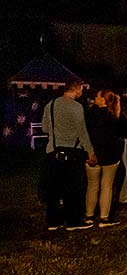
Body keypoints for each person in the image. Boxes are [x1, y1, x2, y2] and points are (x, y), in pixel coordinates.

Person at [42, 79, 97, 231]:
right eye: (81, 90)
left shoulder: (50, 105)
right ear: (76, 89)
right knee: (74, 187)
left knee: (54, 188)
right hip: (72, 152)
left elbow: (45, 128)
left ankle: (53, 221)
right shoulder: (76, 107)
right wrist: (90, 151)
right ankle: (73, 220)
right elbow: (82, 131)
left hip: (53, 151)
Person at [85, 90, 126, 227]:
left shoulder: (89, 114)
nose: (95, 97)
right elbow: (126, 130)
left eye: (97, 96)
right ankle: (104, 218)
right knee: (107, 185)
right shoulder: (114, 115)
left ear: (103, 99)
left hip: (93, 154)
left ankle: (89, 216)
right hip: (110, 154)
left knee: (92, 185)